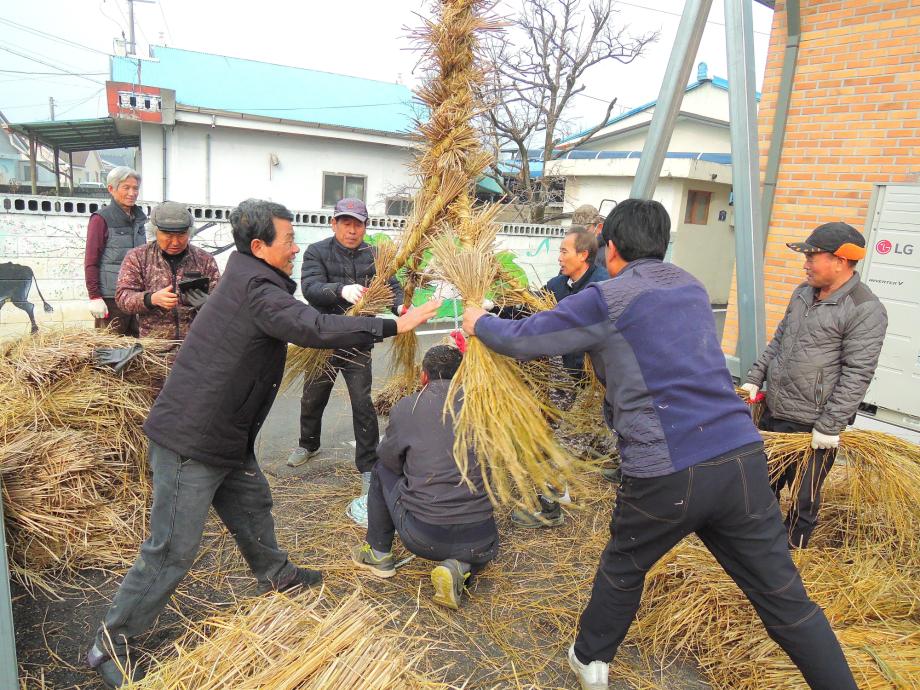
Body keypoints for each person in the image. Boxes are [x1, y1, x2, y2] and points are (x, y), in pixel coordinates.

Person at [462, 199, 857, 690]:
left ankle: (590, 659)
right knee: (784, 598)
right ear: (663, 245)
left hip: (668, 468)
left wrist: (478, 320)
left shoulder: (607, 297)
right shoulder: (690, 287)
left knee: (626, 565)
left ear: (609, 247)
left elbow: (524, 338)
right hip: (741, 456)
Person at [86, 199, 440, 689]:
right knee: (172, 549)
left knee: (253, 503)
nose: (296, 248)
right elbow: (313, 327)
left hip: (226, 432)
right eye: (289, 240)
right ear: (259, 246)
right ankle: (110, 642)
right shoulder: (256, 287)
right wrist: (391, 325)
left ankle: (277, 575)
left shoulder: (250, 276)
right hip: (193, 438)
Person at [741, 222, 887, 549]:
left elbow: (858, 372)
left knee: (804, 496)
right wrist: (754, 377)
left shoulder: (865, 309)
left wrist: (830, 424)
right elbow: (779, 340)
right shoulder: (802, 293)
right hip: (776, 409)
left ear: (841, 260)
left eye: (813, 256)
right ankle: (758, 543)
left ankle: (795, 549)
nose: (805, 264)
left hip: (813, 423)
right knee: (762, 482)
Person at [351, 344, 498, 610]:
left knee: (380, 469)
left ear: (424, 377)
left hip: (424, 537)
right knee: (470, 545)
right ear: (463, 375)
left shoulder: (409, 407)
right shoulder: (486, 406)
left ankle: (378, 552)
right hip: (482, 538)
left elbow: (389, 459)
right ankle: (459, 565)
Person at [289, 197, 404, 527]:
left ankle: (367, 466)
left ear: (365, 227)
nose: (352, 230)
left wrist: (397, 308)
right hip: (323, 338)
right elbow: (310, 289)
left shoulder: (374, 255)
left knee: (362, 403)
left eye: (358, 224)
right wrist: (341, 290)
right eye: (346, 223)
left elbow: (391, 286)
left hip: (358, 339)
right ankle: (307, 444)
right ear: (334, 224)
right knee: (314, 396)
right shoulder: (316, 252)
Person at [511, 225, 609, 529]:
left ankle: (549, 508)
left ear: (583, 254)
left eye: (564, 251)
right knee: (557, 433)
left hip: (594, 383)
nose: (559, 257)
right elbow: (530, 307)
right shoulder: (561, 283)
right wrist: (494, 311)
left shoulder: (601, 287)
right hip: (564, 374)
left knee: (567, 443)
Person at [115, 201, 220, 340]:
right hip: (155, 348)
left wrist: (208, 304)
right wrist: (150, 299)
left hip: (194, 346)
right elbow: (123, 298)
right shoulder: (138, 257)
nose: (175, 242)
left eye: (182, 235)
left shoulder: (204, 259)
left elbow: (222, 302)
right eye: (168, 236)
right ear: (155, 232)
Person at [84, 167, 147, 336]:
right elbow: (91, 261)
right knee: (110, 351)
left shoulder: (139, 220)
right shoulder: (101, 219)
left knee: (136, 349)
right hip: (111, 297)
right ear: (111, 189)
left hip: (136, 295)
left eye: (135, 188)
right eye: (126, 187)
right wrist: (95, 297)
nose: (132, 193)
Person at [571, 203, 606, 269]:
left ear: (599, 228)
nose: (580, 234)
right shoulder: (573, 249)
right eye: (576, 231)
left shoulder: (607, 254)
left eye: (584, 230)